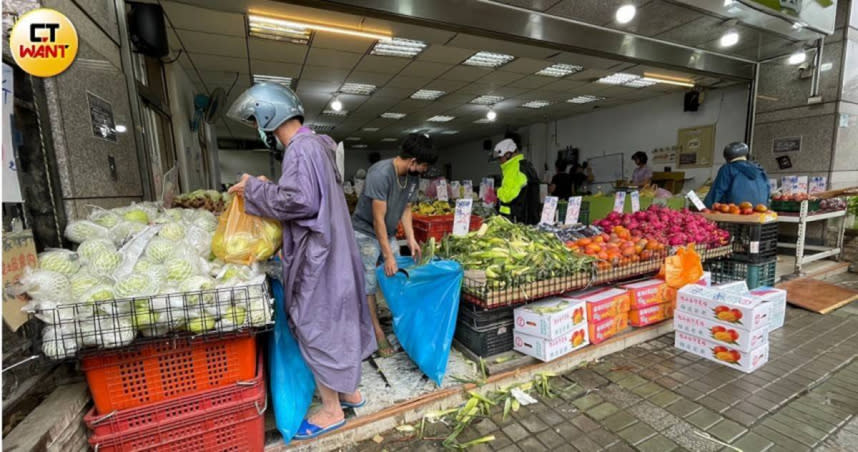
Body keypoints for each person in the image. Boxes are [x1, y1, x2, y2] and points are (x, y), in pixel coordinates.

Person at [225, 82, 375, 440]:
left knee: (316, 324)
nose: (260, 130)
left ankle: (331, 409)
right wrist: (267, 188)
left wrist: (254, 189)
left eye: (257, 122)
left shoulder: (299, 149)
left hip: (318, 256)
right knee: (338, 321)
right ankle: (350, 392)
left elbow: (300, 202)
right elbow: (306, 195)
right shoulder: (319, 146)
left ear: (267, 115)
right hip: (336, 250)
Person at [351, 134, 438, 357]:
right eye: (423, 165)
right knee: (369, 283)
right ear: (413, 161)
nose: (423, 170)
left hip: (387, 232)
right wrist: (388, 255)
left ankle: (398, 323)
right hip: (365, 233)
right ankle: (377, 332)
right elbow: (377, 220)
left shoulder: (413, 177)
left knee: (396, 274)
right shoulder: (380, 174)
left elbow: (406, 209)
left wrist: (410, 238)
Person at [704, 142, 770, 207]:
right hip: (759, 212)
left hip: (734, 212)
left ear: (727, 157)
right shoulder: (759, 169)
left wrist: (704, 208)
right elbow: (768, 190)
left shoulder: (728, 168)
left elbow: (717, 191)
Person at [494, 138, 540, 224]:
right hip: (527, 218)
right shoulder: (526, 166)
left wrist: (497, 191)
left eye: (500, 158)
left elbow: (507, 196)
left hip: (515, 220)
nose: (499, 162)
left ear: (508, 154)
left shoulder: (515, 169)